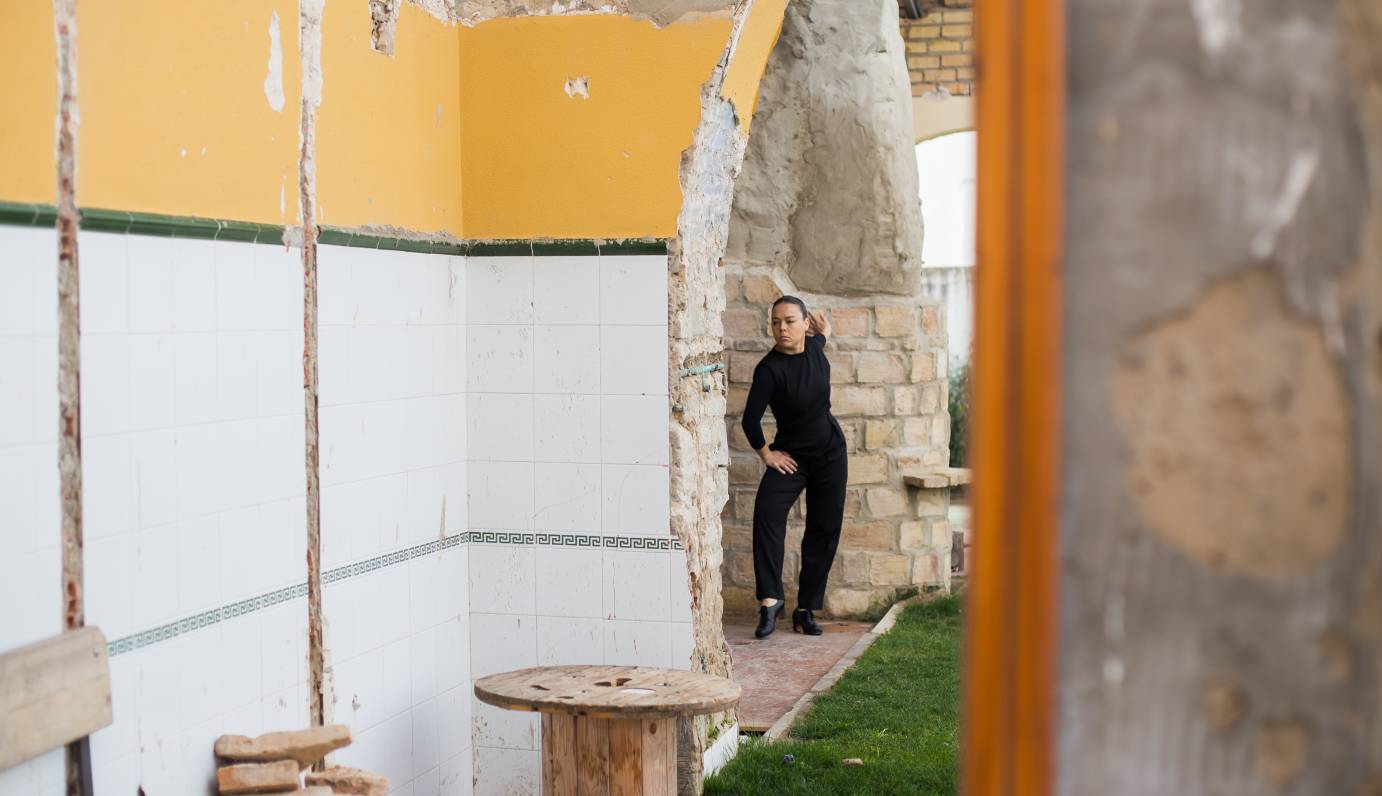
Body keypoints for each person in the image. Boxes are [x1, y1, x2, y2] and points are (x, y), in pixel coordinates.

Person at [741, 295, 848, 638]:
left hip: (830, 452)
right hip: (792, 458)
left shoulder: (816, 348)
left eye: (789, 321)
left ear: (804, 324)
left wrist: (826, 329)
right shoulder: (769, 370)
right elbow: (750, 421)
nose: (781, 328)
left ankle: (806, 609)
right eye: (776, 322)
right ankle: (771, 602)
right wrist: (767, 454)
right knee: (767, 516)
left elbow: (822, 336)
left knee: (824, 527)